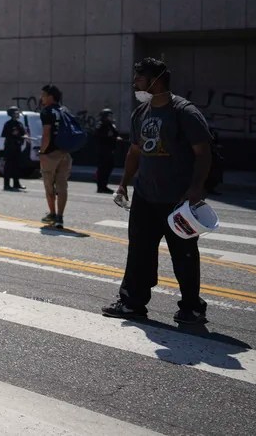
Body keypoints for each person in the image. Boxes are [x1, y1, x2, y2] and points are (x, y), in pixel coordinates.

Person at [102, 57, 213, 325]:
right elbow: (135, 151)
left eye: (139, 78)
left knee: (184, 255)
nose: (135, 83)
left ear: (156, 80)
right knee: (139, 252)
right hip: (145, 195)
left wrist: (196, 188)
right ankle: (132, 303)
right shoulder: (141, 113)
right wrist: (123, 183)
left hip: (178, 200)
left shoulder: (184, 112)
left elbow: (203, 153)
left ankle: (192, 307)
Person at [38, 85, 72, 229]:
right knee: (62, 186)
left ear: (50, 97)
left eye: (44, 95)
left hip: (51, 154)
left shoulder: (47, 111)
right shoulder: (64, 110)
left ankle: (52, 213)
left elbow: (46, 135)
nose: (42, 98)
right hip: (65, 152)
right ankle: (60, 218)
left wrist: (42, 152)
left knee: (49, 186)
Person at [0, 106, 27, 191]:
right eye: (16, 113)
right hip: (9, 147)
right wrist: (13, 134)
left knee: (17, 166)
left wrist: (25, 136)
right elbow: (4, 134)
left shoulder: (19, 124)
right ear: (12, 114)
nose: (18, 114)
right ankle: (6, 185)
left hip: (17, 147)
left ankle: (16, 183)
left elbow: (23, 133)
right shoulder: (8, 124)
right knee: (8, 166)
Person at [94, 108, 121, 193]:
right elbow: (101, 136)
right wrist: (112, 138)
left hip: (110, 150)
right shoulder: (101, 125)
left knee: (109, 167)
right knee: (102, 169)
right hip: (103, 150)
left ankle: (104, 185)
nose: (110, 117)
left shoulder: (111, 125)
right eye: (109, 116)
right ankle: (100, 186)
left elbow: (115, 133)